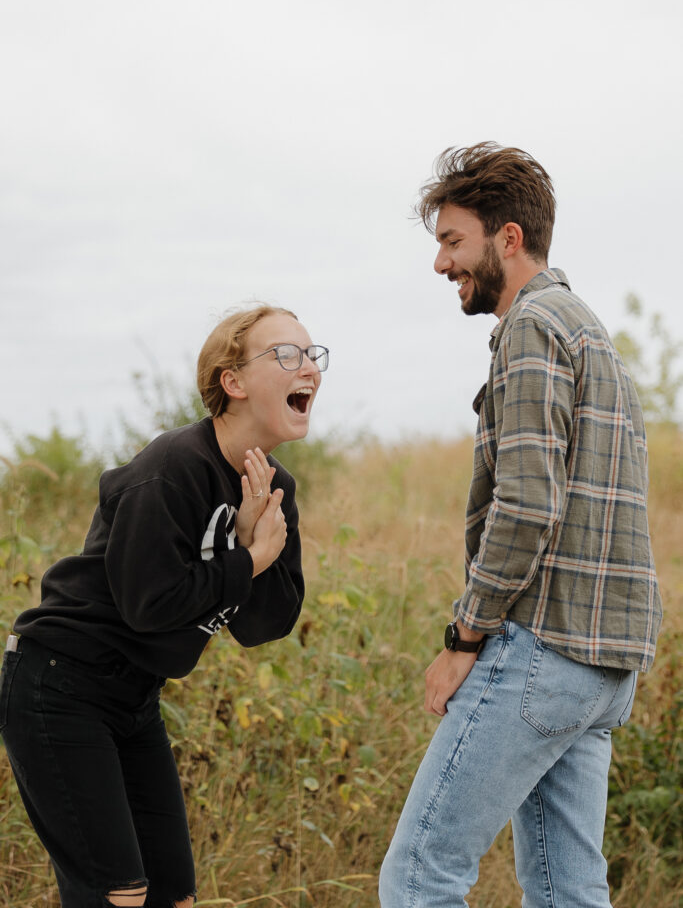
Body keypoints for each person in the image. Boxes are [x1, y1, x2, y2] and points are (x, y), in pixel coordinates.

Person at [379, 143, 662, 908]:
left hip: (545, 648)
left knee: (417, 877)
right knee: (568, 893)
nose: (441, 264)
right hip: (603, 666)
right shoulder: (589, 331)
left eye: (451, 241)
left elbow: (527, 503)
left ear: (507, 238)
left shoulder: (533, 327)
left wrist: (463, 638)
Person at [0, 305, 329, 908]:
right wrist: (247, 559)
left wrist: (250, 545)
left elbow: (264, 624)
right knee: (117, 894)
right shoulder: (174, 467)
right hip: (59, 685)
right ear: (232, 382)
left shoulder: (275, 486)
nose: (307, 365)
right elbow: (149, 606)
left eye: (313, 355)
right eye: (286, 353)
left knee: (173, 894)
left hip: (135, 698)